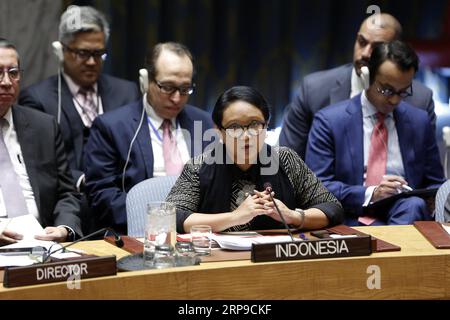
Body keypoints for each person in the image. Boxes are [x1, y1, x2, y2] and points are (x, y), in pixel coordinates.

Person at [18, 6, 140, 234]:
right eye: (83, 54)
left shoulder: (126, 92)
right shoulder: (38, 98)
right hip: (72, 200)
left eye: (98, 53)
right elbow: (39, 165)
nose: (92, 62)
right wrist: (88, 180)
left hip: (120, 200)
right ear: (61, 51)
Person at [166, 86, 343, 233]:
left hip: (275, 259)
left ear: (266, 126)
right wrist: (235, 217)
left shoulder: (286, 160)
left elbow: (331, 208)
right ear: (219, 131)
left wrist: (292, 216)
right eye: (234, 127)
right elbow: (171, 217)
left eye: (254, 124)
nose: (246, 136)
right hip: (217, 262)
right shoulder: (199, 167)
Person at [306, 40, 445, 226]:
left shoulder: (419, 121)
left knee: (413, 205)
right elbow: (318, 185)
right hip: (350, 214)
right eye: (386, 90)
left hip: (406, 210)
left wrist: (430, 199)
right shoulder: (329, 121)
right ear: (367, 77)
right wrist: (371, 193)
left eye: (403, 91)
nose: (394, 100)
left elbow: (436, 182)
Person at [84, 42, 214, 234]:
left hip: (198, 233)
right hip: (139, 233)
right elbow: (102, 195)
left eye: (185, 89)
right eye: (168, 87)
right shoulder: (112, 127)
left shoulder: (203, 123)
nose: (177, 98)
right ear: (146, 81)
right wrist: (162, 221)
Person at [279, 13, 435, 159]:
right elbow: (288, 162)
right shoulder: (314, 91)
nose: (365, 53)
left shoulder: (420, 100)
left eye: (377, 47)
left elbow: (425, 170)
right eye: (362, 42)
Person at [0, 39, 81, 245]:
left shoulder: (43, 127)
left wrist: (64, 227)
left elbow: (66, 192)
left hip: (41, 242)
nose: (7, 82)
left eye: (13, 73)